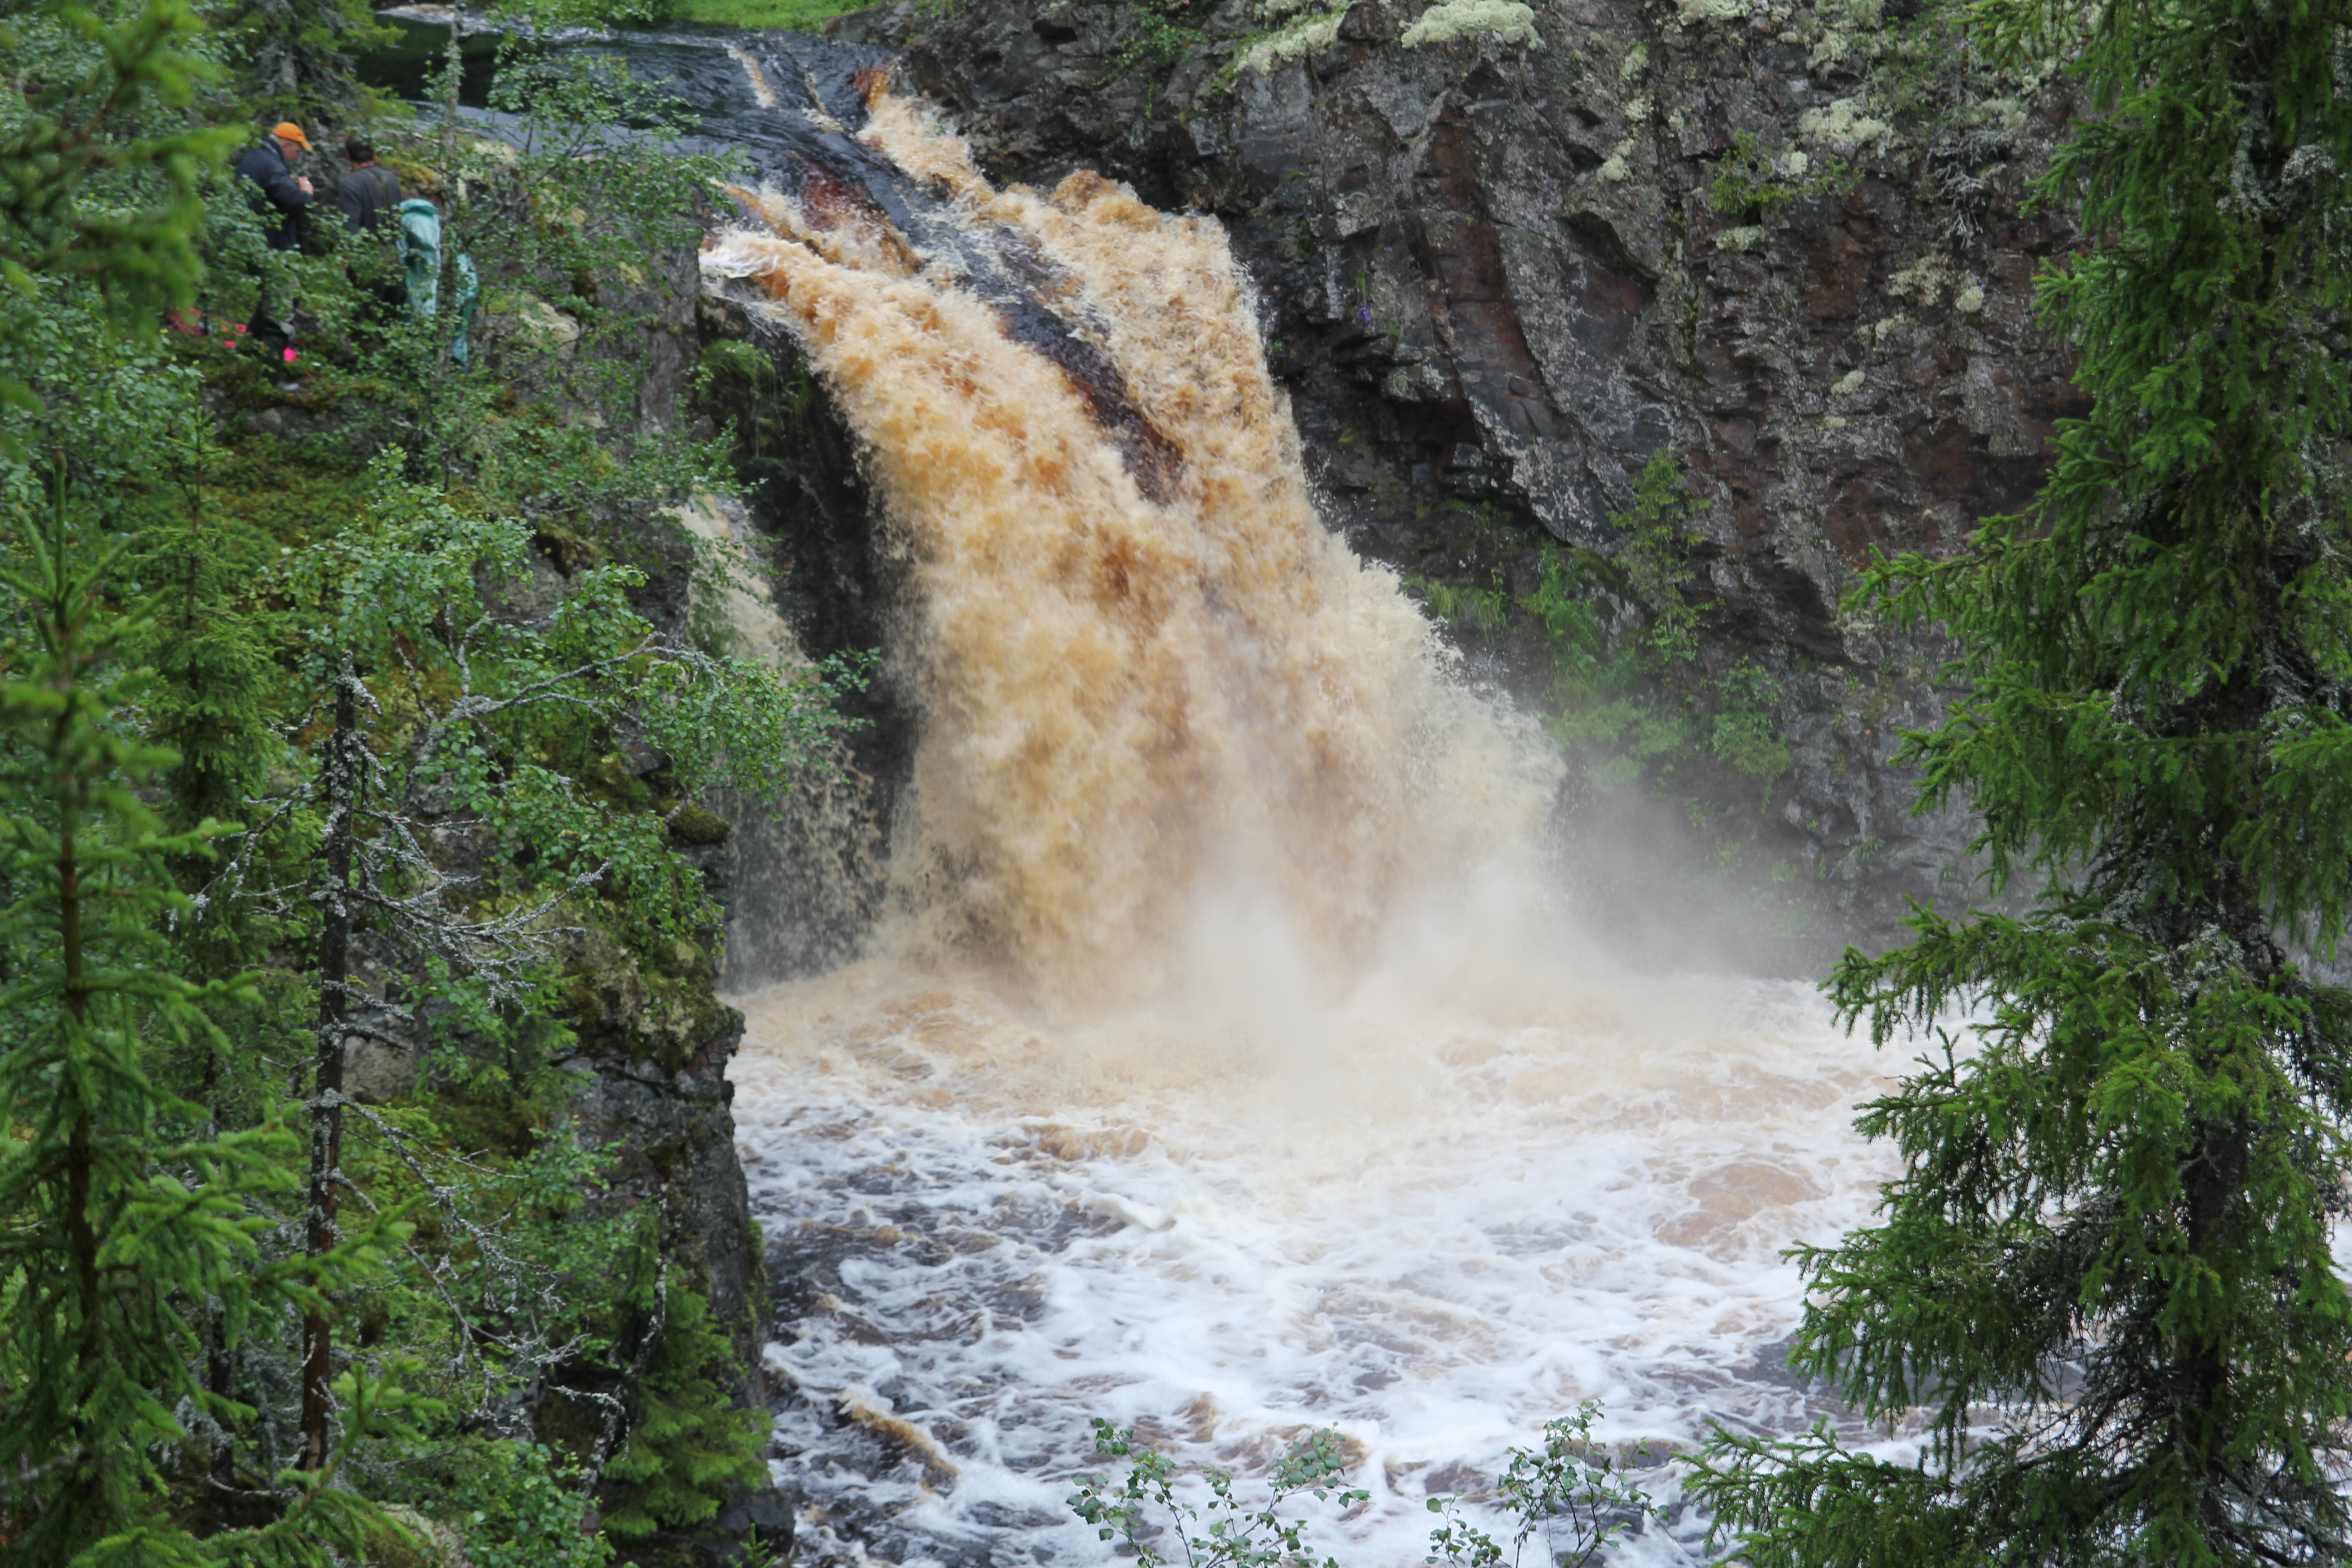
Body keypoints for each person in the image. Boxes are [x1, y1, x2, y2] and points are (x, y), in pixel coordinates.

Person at [233, 122, 315, 372]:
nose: (298, 155)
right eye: (298, 150)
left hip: (255, 242)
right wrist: (306, 192)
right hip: (271, 246)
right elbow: (293, 201)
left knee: (277, 298)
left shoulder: (256, 158)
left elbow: (271, 193)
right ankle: (273, 377)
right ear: (287, 145)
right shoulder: (273, 165)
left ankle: (247, 350)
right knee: (282, 306)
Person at [396, 194, 481, 368]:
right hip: (466, 280)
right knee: (456, 336)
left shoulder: (409, 220)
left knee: (423, 327)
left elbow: (412, 253)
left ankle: (423, 373)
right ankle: (456, 373)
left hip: (431, 283)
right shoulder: (439, 222)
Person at [334, 137, 402, 236]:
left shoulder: (350, 184)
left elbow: (350, 227)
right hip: (393, 247)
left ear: (347, 155)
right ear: (375, 154)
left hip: (366, 248)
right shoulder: (392, 178)